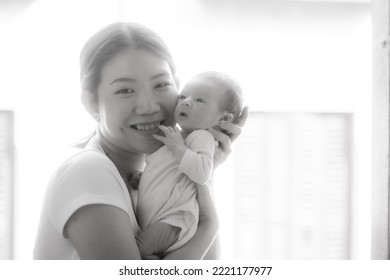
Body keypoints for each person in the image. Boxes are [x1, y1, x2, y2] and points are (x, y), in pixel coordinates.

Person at [33, 22, 248, 260]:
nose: (148, 106)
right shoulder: (89, 170)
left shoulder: (154, 177)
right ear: (91, 103)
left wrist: (205, 168)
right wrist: (209, 227)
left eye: (161, 85)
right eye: (125, 90)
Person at [136, 71, 243, 259]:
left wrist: (178, 147)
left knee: (137, 251)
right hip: (162, 217)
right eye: (183, 96)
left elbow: (202, 173)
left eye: (200, 100)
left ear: (223, 119)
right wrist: (143, 178)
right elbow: (170, 173)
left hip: (174, 221)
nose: (186, 102)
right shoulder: (179, 137)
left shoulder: (201, 137)